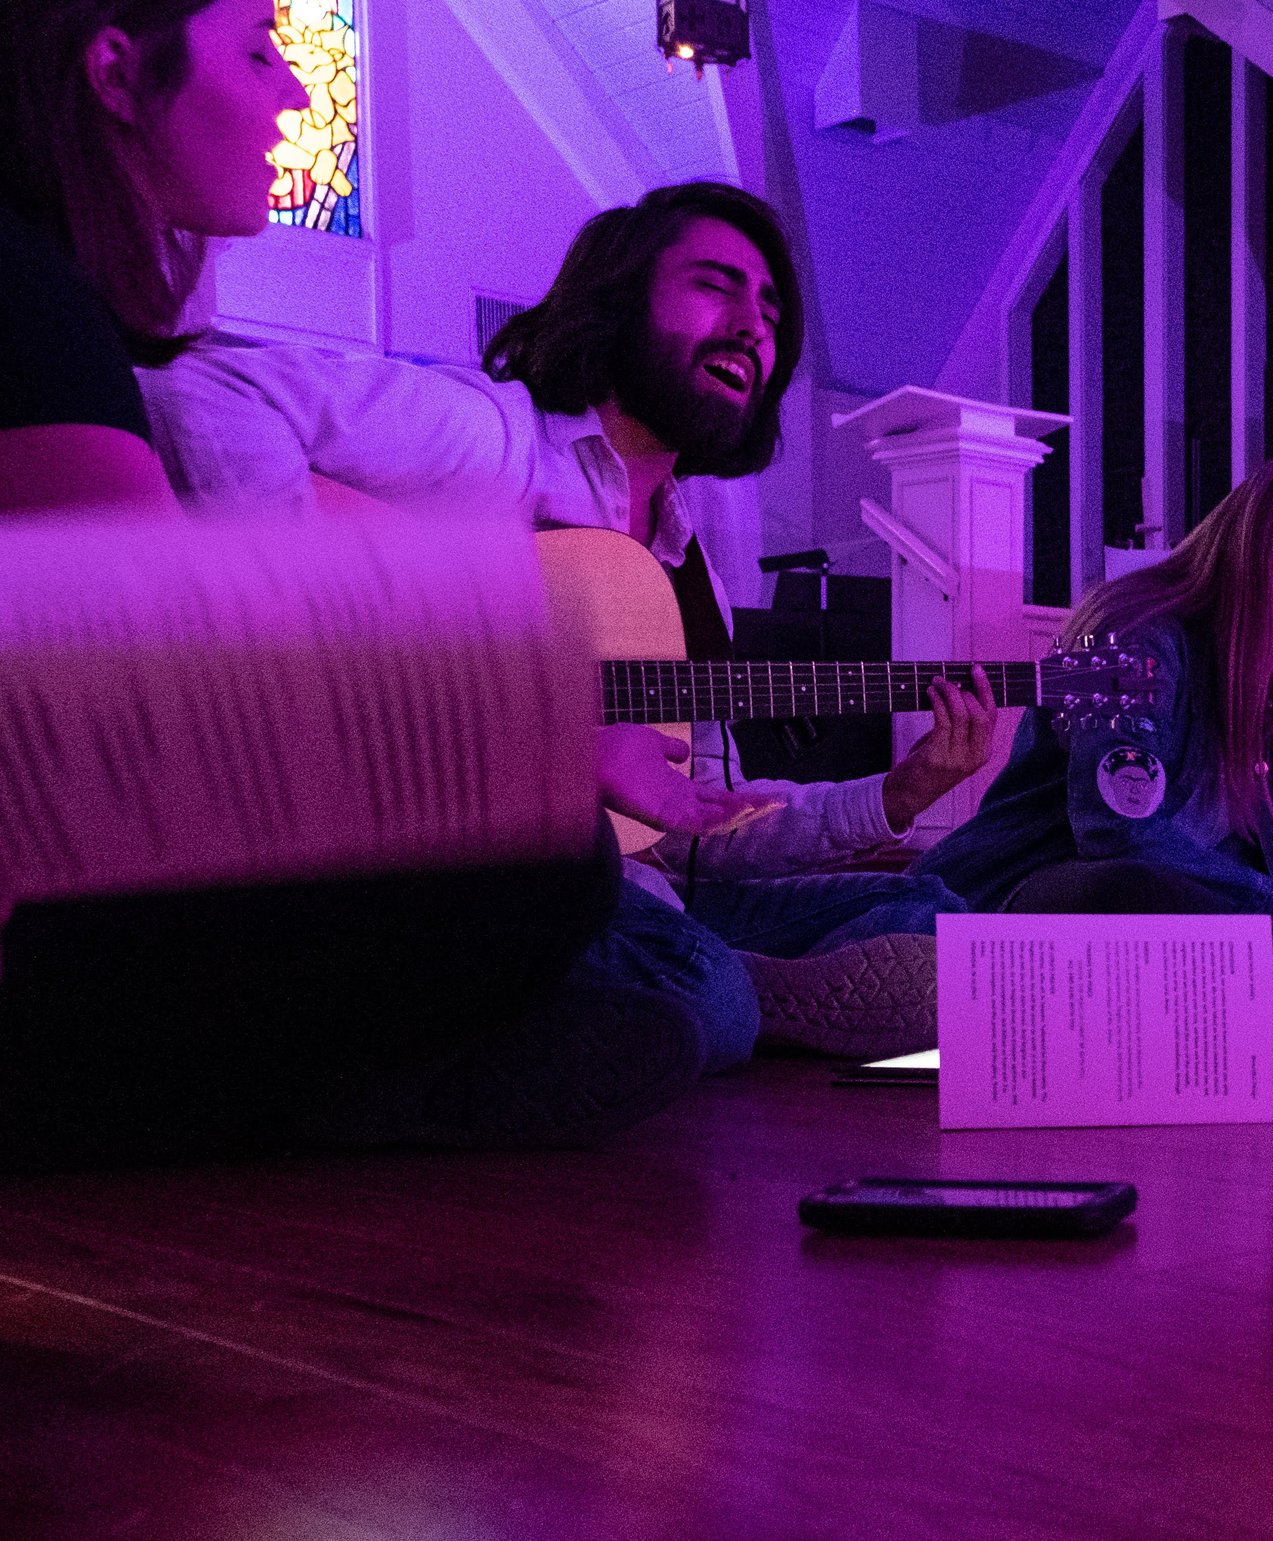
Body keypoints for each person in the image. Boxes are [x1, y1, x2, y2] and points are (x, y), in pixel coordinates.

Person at [0, 0, 728, 1168]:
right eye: (256, 51)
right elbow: (147, 706)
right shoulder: (31, 301)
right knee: (556, 859)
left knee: (600, 906)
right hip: (34, 958)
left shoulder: (57, 301)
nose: (293, 93)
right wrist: (542, 734)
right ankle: (299, 1097)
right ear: (117, 76)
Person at [140, 181, 993, 1065]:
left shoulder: (683, 564)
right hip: (480, 871)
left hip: (642, 884)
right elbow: (208, 392)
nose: (754, 325)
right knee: (704, 988)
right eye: (715, 285)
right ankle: (721, 988)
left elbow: (701, 822)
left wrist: (902, 790)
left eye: (772, 311)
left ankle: (700, 982)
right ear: (618, 300)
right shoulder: (497, 440)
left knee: (927, 912)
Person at [914, 459, 1273, 995]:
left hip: (1194, 904)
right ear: (1252, 571)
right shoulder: (1136, 634)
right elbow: (1118, 831)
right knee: (1143, 896)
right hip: (1035, 885)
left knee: (1261, 932)